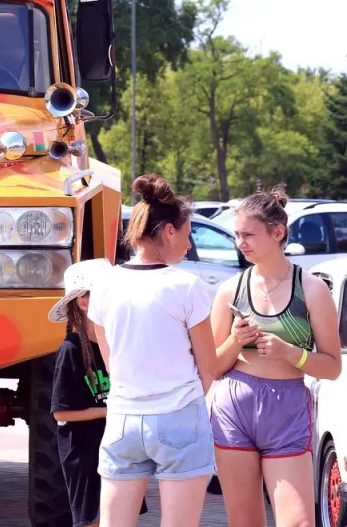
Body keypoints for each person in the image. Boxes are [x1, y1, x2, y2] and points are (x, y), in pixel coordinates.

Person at [88, 174, 217, 527]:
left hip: (123, 419)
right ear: (170, 231)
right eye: (188, 234)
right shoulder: (187, 286)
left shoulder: (105, 283)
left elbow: (111, 361)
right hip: (178, 415)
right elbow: (209, 367)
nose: (189, 245)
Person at [209, 189, 341, 527]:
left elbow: (332, 366)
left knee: (298, 521)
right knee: (245, 522)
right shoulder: (230, 289)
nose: (240, 242)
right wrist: (236, 342)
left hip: (287, 408)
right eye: (238, 234)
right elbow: (211, 368)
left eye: (248, 234)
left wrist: (291, 353)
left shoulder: (312, 289)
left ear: (277, 232)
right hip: (233, 409)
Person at [51, 258, 149, 527]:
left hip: (118, 445)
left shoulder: (119, 343)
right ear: (84, 302)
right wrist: (109, 409)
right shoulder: (70, 350)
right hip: (85, 453)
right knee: (92, 520)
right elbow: (61, 411)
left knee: (120, 517)